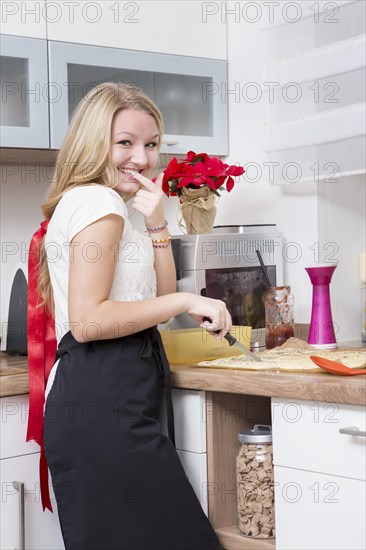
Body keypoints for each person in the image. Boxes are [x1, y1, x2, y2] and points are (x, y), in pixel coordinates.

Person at [28, 82, 231, 550]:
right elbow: (90, 321)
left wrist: (157, 222)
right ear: (93, 141)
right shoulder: (99, 204)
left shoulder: (108, 205)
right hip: (104, 398)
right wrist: (187, 302)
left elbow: (154, 300)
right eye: (125, 142)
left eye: (152, 144)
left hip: (112, 395)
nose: (141, 159)